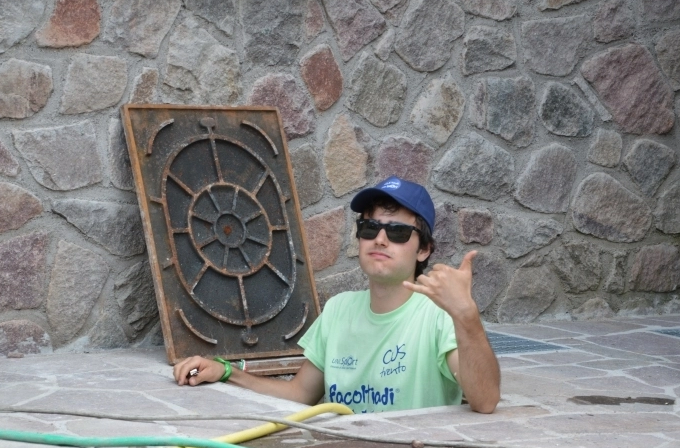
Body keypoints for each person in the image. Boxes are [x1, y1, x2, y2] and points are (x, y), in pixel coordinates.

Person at [173, 177, 500, 414]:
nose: (380, 239)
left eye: (398, 231)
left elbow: (485, 401)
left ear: (424, 249)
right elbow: (299, 394)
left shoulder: (439, 314)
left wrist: (466, 316)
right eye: (370, 228)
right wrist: (226, 372)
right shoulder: (338, 310)